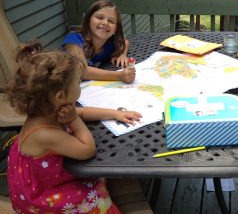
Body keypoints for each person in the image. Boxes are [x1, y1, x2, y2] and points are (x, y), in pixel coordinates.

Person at [6, 41, 142, 213]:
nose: (80, 86)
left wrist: (114, 113)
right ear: (61, 95)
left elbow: (82, 112)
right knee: (95, 197)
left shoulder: (47, 109)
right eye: (78, 83)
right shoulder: (44, 134)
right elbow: (87, 149)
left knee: (99, 177)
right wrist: (73, 120)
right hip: (40, 197)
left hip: (46, 176)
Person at [62, 0, 135, 83]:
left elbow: (125, 42)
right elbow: (81, 71)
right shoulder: (74, 40)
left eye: (111, 21)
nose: (105, 23)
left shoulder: (109, 44)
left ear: (115, 29)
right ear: (89, 20)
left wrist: (122, 54)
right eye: (99, 17)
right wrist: (119, 76)